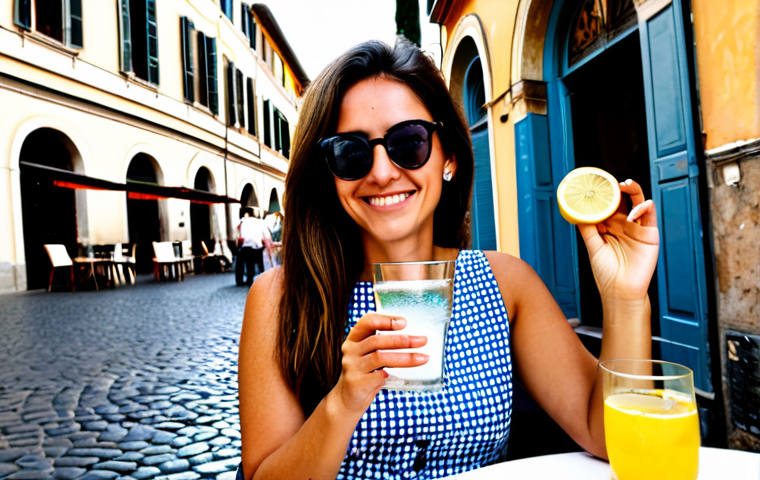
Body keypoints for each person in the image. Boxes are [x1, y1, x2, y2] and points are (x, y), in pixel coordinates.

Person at [238, 41, 659, 480]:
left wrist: (626, 300)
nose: (381, 172)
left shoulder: (505, 283)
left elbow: (610, 434)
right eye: (352, 152)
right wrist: (342, 402)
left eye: (409, 142)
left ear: (449, 159)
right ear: (329, 174)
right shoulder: (280, 298)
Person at [236, 208, 271, 286]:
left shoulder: (244, 222)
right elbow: (267, 236)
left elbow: (241, 235)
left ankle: (244, 279)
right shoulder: (261, 222)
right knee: (259, 260)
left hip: (246, 247)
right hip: (257, 247)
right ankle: (263, 275)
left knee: (245, 261)